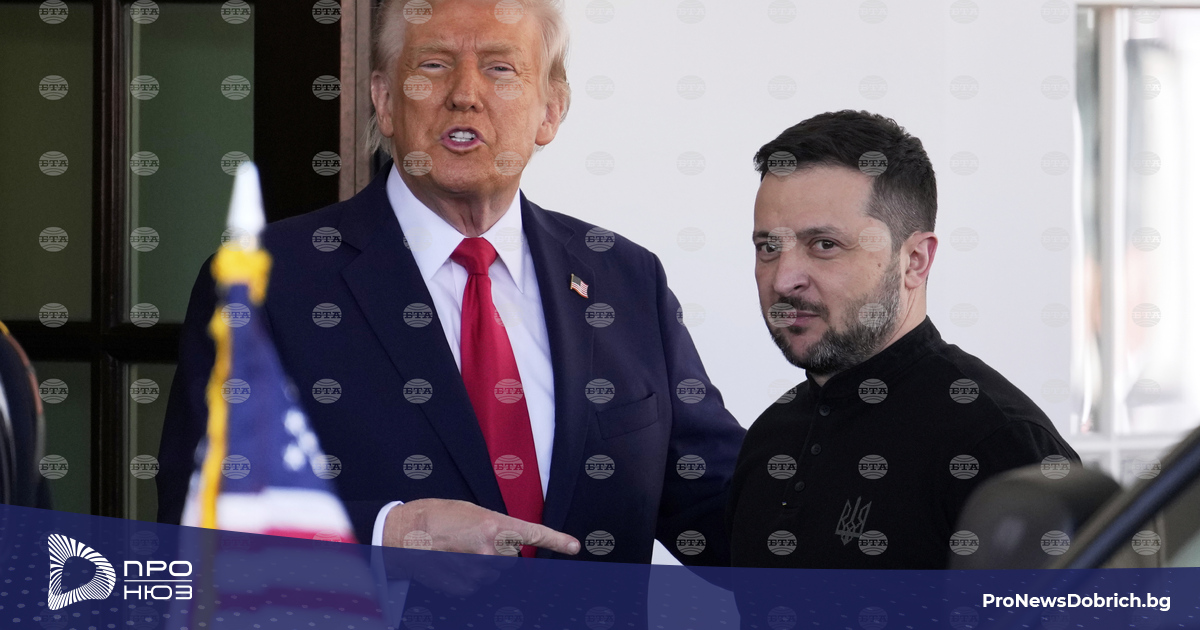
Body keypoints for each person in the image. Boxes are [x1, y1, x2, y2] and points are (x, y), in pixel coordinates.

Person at [158, 0, 745, 566]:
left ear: (550, 111)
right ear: (385, 101)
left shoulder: (625, 279)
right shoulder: (269, 283)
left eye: (500, 68)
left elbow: (723, 507)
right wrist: (390, 535)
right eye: (434, 64)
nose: (464, 93)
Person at [726, 110, 1078, 570]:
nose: (783, 278)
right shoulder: (769, 438)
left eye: (824, 245)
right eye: (768, 247)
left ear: (914, 260)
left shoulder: (999, 446)